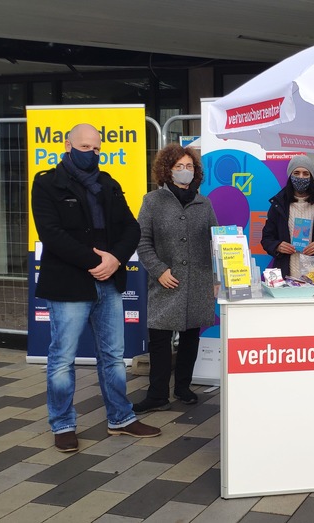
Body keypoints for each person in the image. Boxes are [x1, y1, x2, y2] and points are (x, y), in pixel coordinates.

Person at [31, 123, 160, 453]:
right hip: (69, 283)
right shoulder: (47, 184)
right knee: (62, 359)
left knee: (114, 358)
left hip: (109, 282)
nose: (92, 154)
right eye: (85, 148)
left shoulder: (108, 183)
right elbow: (51, 233)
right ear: (68, 144)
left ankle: (121, 418)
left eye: (97, 149)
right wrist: (94, 261)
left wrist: (115, 259)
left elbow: (131, 228)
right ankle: (63, 424)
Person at [133, 144, 219, 414]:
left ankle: (183, 386)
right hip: (166, 281)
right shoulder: (152, 201)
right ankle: (157, 394)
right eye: (179, 166)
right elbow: (142, 241)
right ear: (167, 170)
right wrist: (159, 270)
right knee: (159, 338)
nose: (185, 171)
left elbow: (216, 240)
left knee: (191, 335)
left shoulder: (204, 203)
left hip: (198, 281)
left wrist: (217, 278)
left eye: (189, 166)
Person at [261, 155, 314, 278]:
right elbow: (267, 239)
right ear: (290, 176)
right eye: (296, 173)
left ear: (312, 176)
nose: (301, 177)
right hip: (286, 276)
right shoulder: (279, 204)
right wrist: (277, 246)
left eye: (306, 173)